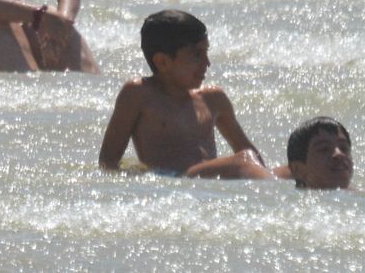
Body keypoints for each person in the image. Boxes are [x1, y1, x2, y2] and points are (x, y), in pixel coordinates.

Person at [98, 10, 271, 178]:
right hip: (174, 180)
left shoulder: (213, 98)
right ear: (162, 62)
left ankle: (274, 190)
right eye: (196, 55)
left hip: (207, 185)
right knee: (245, 159)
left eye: (206, 53)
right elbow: (108, 162)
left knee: (287, 167)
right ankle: (271, 190)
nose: (207, 63)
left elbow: (247, 150)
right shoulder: (139, 94)